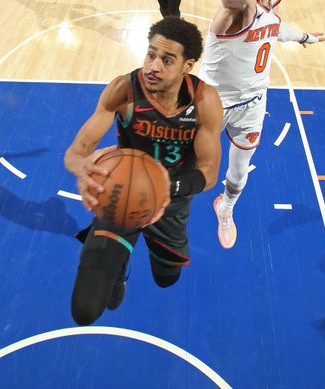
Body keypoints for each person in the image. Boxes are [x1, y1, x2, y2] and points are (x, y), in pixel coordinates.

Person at [64, 17, 223, 326]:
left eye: (167, 60)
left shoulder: (204, 101)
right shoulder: (123, 90)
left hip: (171, 204)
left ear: (187, 65)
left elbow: (210, 172)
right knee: (86, 309)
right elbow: (77, 149)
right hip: (121, 197)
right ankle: (119, 268)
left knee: (167, 279)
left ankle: (147, 253)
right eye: (150, 55)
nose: (153, 66)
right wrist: (80, 165)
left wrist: (165, 187)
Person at [199, 0, 325, 250]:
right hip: (213, 104)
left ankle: (225, 210)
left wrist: (305, 37)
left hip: (253, 104)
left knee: (239, 171)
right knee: (192, 166)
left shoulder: (273, 1)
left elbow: (275, 28)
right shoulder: (237, 7)